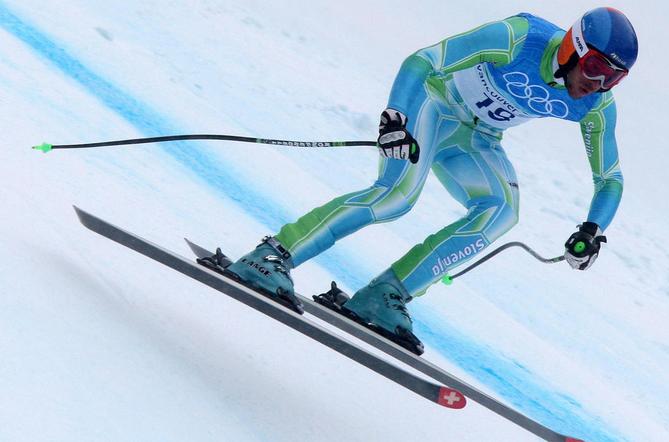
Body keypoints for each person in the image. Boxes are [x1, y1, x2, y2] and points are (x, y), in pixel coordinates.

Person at [227, 7, 638, 354]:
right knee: (395, 197)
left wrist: (592, 229)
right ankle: (272, 256)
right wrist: (395, 118)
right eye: (596, 69)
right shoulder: (518, 37)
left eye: (614, 79)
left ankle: (385, 295)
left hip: (477, 139)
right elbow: (423, 60)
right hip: (431, 106)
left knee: (501, 212)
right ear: (573, 48)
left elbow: (609, 178)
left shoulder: (596, 105)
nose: (599, 85)